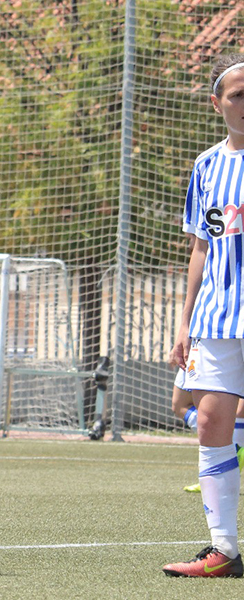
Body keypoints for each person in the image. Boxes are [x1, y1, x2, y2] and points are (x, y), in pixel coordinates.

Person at [163, 54, 244, 578]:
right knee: (211, 423)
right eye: (238, 95)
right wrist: (185, 319)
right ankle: (224, 551)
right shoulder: (207, 165)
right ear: (218, 105)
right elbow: (200, 248)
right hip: (219, 318)